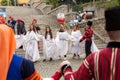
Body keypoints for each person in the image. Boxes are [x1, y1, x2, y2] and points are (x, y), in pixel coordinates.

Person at [51, 6, 120, 80]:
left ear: (106, 29)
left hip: (88, 41)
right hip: (88, 41)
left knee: (88, 51)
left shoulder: (94, 58)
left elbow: (74, 78)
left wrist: (66, 68)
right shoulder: (94, 56)